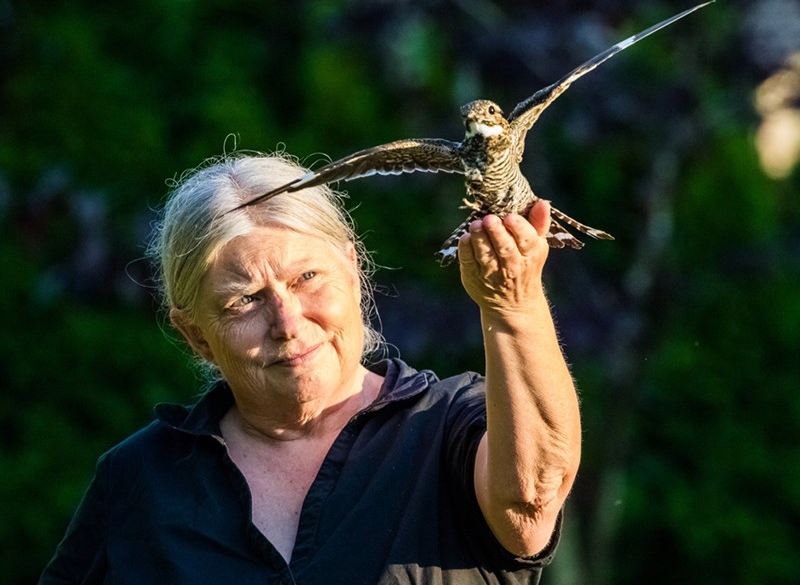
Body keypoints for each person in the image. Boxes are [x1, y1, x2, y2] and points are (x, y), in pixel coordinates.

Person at [40, 152, 581, 584]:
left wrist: (512, 305)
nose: (288, 321)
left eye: (307, 278)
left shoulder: (450, 430)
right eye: (245, 300)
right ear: (196, 335)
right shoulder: (139, 479)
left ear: (352, 270)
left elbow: (531, 504)